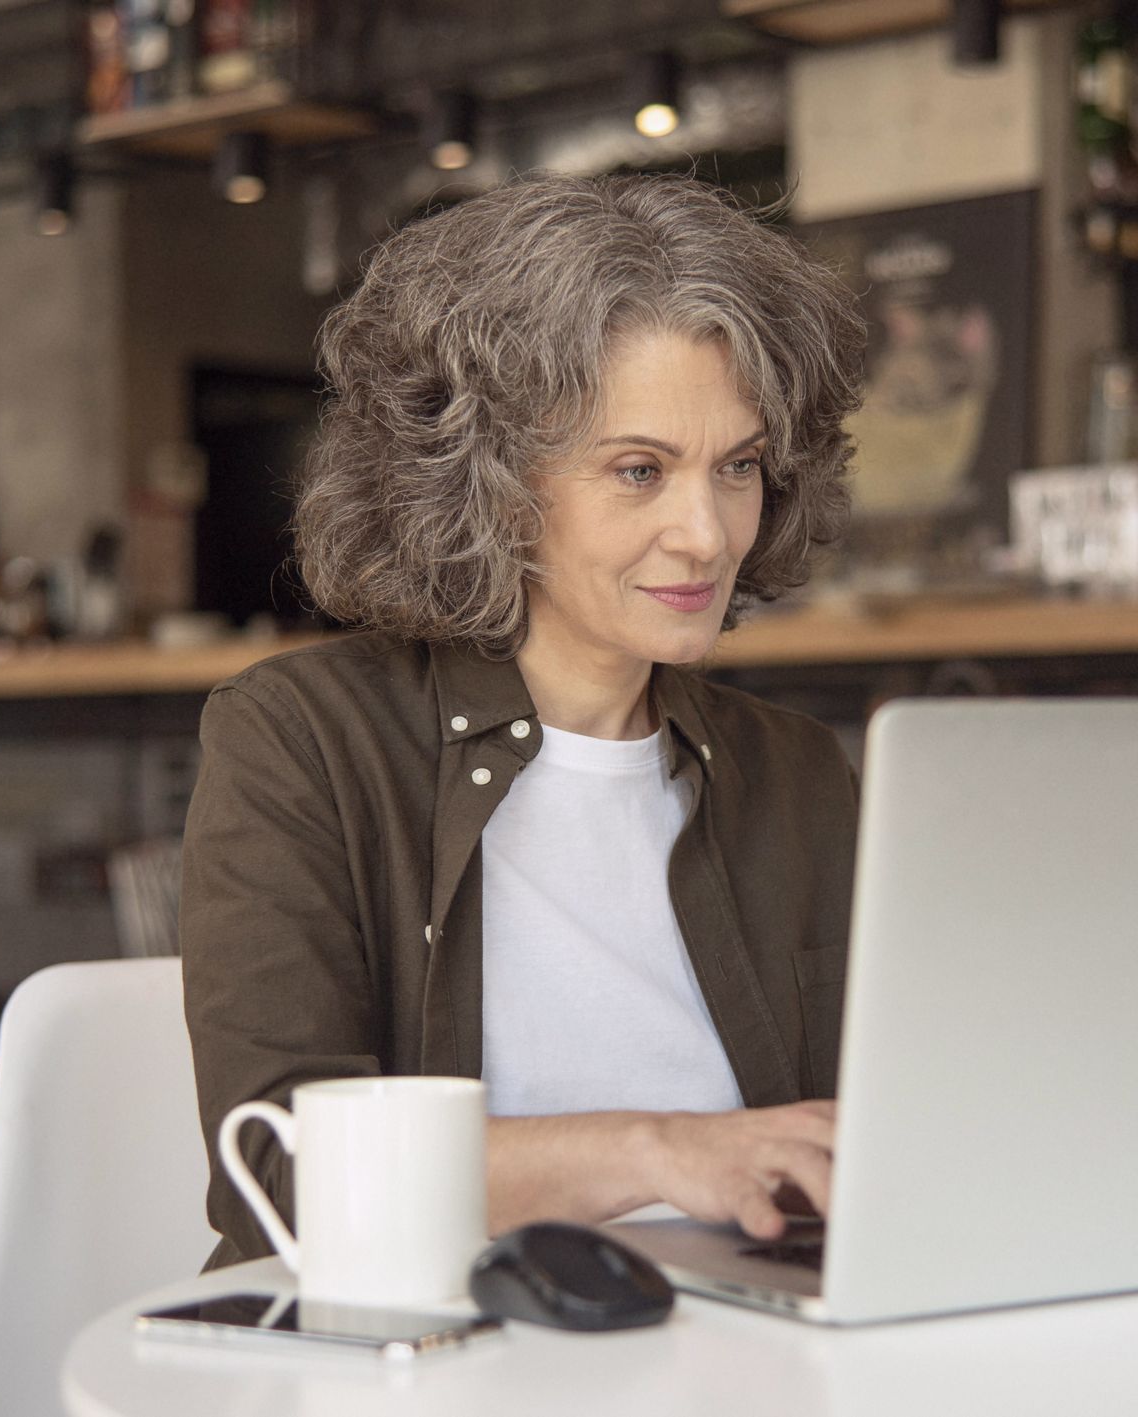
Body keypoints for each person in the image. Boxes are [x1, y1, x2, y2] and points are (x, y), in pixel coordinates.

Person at [181, 171, 868, 1271]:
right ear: (490, 484)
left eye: (737, 467)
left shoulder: (797, 770)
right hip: (426, 1332)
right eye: (639, 470)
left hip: (749, 1335)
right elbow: (284, 1174)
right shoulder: (303, 739)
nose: (706, 533)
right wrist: (655, 1151)